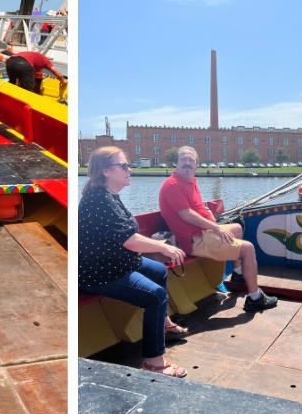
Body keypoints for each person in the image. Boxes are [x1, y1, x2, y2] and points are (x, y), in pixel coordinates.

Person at [79, 147, 188, 377]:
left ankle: (164, 324)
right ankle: (153, 363)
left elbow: (126, 237)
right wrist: (164, 246)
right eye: (125, 166)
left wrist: (160, 248)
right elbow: (129, 240)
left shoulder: (109, 196)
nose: (130, 170)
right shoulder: (99, 201)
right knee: (155, 296)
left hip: (117, 261)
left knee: (159, 270)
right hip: (99, 272)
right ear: (107, 171)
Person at [159, 147, 277, 313]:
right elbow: (186, 215)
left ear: (196, 165)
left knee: (236, 228)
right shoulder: (172, 184)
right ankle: (255, 298)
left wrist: (211, 219)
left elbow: (198, 212)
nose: (187, 162)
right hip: (192, 241)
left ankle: (237, 274)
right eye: (183, 159)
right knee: (248, 249)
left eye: (191, 160)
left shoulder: (191, 183)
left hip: (202, 233)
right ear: (176, 164)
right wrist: (216, 228)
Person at [0, 48, 66, 94]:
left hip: (10, 62)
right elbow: (56, 72)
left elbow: (22, 72)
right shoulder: (46, 61)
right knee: (28, 90)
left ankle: (6, 98)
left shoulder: (33, 55)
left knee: (12, 83)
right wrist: (63, 80)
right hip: (25, 64)